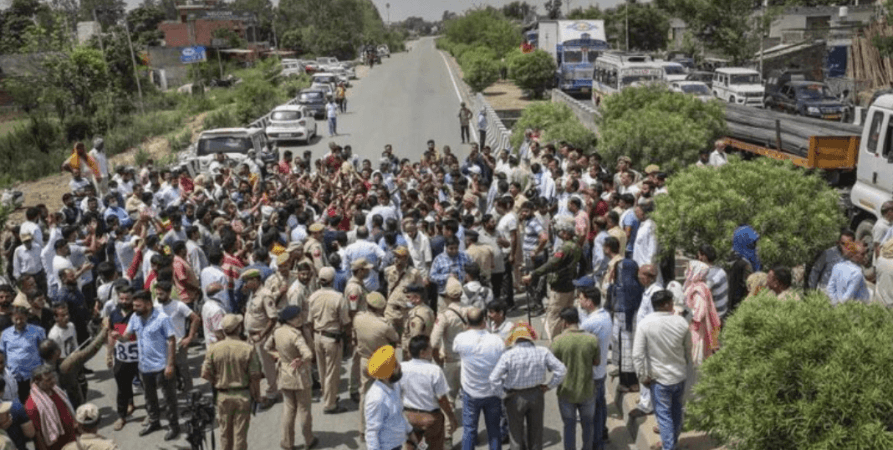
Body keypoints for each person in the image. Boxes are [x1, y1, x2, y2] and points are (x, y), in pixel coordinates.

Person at [110, 290, 179, 440]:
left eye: (138, 305)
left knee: (169, 399)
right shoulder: (135, 317)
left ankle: (174, 426)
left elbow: (172, 341)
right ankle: (154, 422)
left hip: (161, 366)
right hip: (144, 367)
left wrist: (170, 365)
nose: (134, 308)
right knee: (149, 397)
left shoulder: (162, 319)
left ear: (148, 304)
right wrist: (119, 337)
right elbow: (127, 337)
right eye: (134, 305)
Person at [489, 323, 566, 450]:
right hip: (536, 394)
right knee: (536, 433)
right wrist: (549, 386)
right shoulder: (543, 352)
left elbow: (493, 378)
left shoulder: (508, 355)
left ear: (514, 338)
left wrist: (502, 395)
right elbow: (561, 370)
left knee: (515, 435)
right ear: (530, 337)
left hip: (514, 396)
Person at [633, 290, 692, 450]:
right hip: (679, 376)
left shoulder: (645, 324)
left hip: (659, 379)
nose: (673, 304)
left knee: (664, 417)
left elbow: (637, 355)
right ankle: (671, 443)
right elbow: (688, 349)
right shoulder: (681, 322)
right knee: (676, 412)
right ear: (666, 304)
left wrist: (642, 376)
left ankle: (669, 446)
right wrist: (684, 365)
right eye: (671, 302)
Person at [201, 313, 262, 450]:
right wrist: (257, 395)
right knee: (240, 434)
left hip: (223, 395)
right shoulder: (247, 348)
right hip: (242, 395)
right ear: (239, 328)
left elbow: (205, 373)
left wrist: (216, 381)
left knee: (224, 433)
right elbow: (255, 376)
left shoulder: (213, 348)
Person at [452, 307, 505, 450]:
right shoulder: (497, 340)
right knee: (494, 430)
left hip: (471, 393)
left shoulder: (461, 339)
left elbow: (455, 349)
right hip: (493, 392)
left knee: (469, 430)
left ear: (467, 322)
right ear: (484, 320)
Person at [265, 306, 317, 450]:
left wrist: (280, 357)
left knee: (289, 410)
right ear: (290, 320)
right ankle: (308, 439)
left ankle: (287, 443)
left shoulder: (277, 331)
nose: (300, 319)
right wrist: (301, 360)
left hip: (285, 373)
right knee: (304, 409)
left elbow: (266, 347)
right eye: (297, 317)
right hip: (299, 375)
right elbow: (308, 354)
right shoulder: (296, 334)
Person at [523, 219, 580, 342]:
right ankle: (567, 339)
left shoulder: (564, 248)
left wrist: (533, 274)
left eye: (561, 232)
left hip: (559, 287)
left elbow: (551, 264)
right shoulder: (576, 246)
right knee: (568, 315)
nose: (559, 234)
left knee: (554, 316)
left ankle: (555, 343)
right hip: (570, 285)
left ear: (566, 234)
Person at [400, 335, 458, 450]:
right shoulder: (434, 371)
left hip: (409, 417)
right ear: (423, 352)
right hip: (430, 419)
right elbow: (442, 398)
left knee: (410, 445)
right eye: (430, 348)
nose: (432, 350)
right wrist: (451, 417)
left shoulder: (402, 368)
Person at [353, 292, 398, 436]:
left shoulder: (358, 319)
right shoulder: (384, 325)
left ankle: (363, 429)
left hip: (364, 360)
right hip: (381, 362)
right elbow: (394, 339)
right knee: (385, 396)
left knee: (365, 395)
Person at [308, 267, 350, 414]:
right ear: (333, 280)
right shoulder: (338, 297)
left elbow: (309, 320)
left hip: (317, 336)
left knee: (322, 370)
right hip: (332, 337)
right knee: (332, 373)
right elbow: (345, 321)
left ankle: (328, 397)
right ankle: (330, 404)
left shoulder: (313, 296)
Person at [241, 269, 280, 410]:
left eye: (248, 281)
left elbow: (273, 318)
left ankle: (272, 393)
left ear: (256, 280)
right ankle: (256, 394)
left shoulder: (265, 295)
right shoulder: (253, 294)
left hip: (261, 336)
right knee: (254, 367)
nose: (246, 284)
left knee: (267, 366)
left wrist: (262, 335)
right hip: (251, 336)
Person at [578, 287, 611, 450]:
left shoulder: (589, 323)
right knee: (600, 406)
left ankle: (595, 444)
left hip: (592, 374)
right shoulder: (605, 315)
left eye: (581, 299)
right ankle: (602, 435)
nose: (579, 301)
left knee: (592, 415)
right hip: (601, 371)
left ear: (589, 302)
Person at [101, 285, 138, 431]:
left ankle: (151, 414)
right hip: (121, 357)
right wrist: (109, 354)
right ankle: (122, 415)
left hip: (139, 356)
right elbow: (112, 335)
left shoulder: (138, 313)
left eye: (127, 298)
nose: (124, 301)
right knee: (122, 386)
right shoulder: (115, 314)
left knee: (147, 386)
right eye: (121, 298)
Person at [364, 345, 414, 450]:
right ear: (387, 374)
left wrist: (410, 432)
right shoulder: (376, 398)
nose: (400, 366)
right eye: (395, 365)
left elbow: (398, 415)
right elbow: (372, 433)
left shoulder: (394, 385)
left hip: (400, 443)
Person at [430, 278, 467, 406]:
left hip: (451, 360)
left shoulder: (444, 315)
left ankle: (449, 424)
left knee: (449, 398)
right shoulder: (471, 310)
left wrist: (438, 357)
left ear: (447, 295)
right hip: (469, 359)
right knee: (469, 395)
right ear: (461, 293)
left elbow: (433, 342)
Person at [24, 365, 76, 450]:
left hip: (70, 440)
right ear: (37, 382)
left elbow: (67, 408)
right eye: (48, 380)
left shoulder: (56, 390)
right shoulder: (32, 405)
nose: (53, 381)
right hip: (55, 446)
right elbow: (37, 434)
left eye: (53, 377)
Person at [610, 259, 643, 392]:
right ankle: (634, 382)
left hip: (623, 326)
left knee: (624, 353)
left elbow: (611, 306)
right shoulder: (639, 287)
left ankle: (625, 383)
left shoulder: (617, 287)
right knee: (632, 352)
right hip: (633, 325)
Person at [1, 306, 46, 404]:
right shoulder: (5, 334)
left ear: (26, 317)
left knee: (37, 403)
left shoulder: (37, 331)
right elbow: (2, 353)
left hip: (33, 377)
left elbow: (44, 352)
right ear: (11, 318)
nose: (18, 321)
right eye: (16, 319)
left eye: (21, 318)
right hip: (13, 378)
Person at [683, 261, 721, 366]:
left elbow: (700, 312)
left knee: (696, 358)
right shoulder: (698, 285)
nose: (686, 272)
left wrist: (687, 315)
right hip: (698, 327)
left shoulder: (698, 289)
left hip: (696, 328)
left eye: (689, 269)